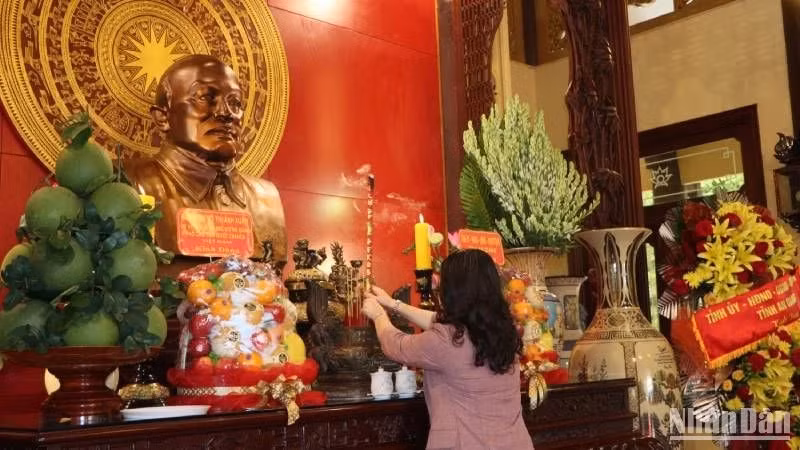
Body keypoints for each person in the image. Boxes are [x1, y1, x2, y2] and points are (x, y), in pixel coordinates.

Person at [362, 249, 534, 450]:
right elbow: (439, 322)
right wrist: (394, 305)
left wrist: (378, 316)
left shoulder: (447, 340)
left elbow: (396, 346)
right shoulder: (504, 331)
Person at [125, 54, 287, 263]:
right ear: (163, 118)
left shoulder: (265, 197)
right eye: (205, 98)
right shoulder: (128, 182)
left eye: (235, 103)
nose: (226, 113)